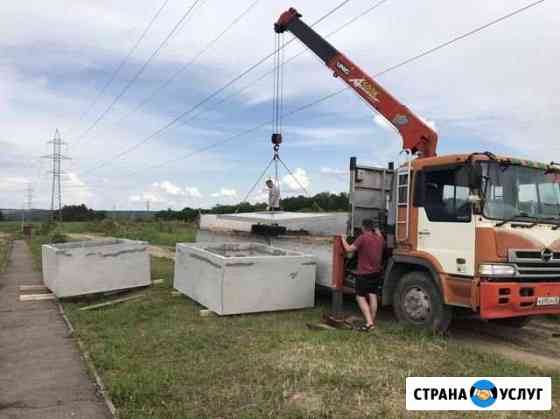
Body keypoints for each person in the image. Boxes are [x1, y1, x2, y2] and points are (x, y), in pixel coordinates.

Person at [339, 219, 385, 332]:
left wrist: (343, 239)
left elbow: (349, 250)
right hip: (376, 273)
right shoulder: (380, 239)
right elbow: (379, 235)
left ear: (363, 228)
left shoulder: (363, 238)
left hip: (364, 273)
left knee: (360, 297)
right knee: (373, 295)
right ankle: (372, 320)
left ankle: (369, 324)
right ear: (372, 228)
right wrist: (377, 229)